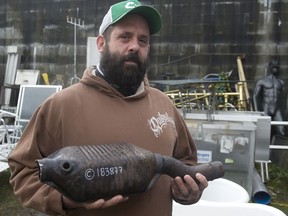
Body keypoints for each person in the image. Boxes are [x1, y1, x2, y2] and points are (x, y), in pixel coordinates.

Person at [8, 1, 208, 215]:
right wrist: (66, 199)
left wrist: (189, 191)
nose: (134, 46)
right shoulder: (61, 106)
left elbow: (186, 163)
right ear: (101, 43)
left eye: (143, 40)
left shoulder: (164, 105)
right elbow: (23, 172)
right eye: (125, 36)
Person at [253, 60, 286, 136]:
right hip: (266, 108)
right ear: (270, 67)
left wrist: (284, 110)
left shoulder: (281, 82)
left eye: (277, 67)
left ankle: (278, 147)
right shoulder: (262, 81)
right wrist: (257, 111)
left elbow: (284, 98)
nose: (275, 69)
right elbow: (255, 96)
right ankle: (263, 147)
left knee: (282, 131)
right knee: (263, 132)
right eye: (274, 67)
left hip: (277, 109)